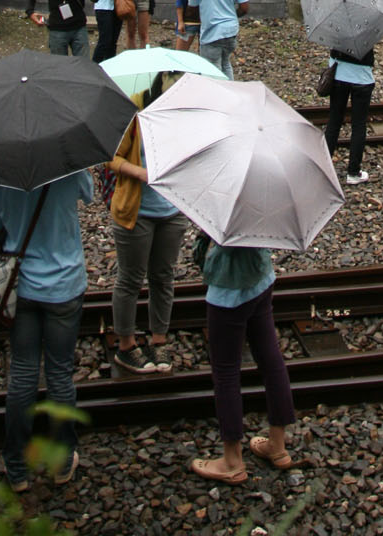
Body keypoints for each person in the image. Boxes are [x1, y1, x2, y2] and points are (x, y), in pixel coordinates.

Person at [0, 168, 93, 493]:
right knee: (60, 373)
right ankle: (61, 463)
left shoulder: (1, 172)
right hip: (66, 282)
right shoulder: (71, 162)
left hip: (22, 287)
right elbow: (87, 197)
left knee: (22, 373)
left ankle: (16, 469)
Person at [191, 234, 295, 485]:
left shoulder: (222, 195)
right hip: (261, 275)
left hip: (228, 289)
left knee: (226, 371)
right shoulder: (265, 193)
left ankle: (232, 461)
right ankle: (278, 446)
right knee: (271, 360)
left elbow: (210, 236)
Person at [109, 73, 187, 375]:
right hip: (136, 209)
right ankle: (126, 345)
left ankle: (159, 339)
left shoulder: (185, 115)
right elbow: (111, 157)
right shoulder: (135, 109)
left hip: (172, 211)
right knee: (130, 279)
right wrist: (139, 173)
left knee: (163, 277)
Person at [323, 28, 383, 186]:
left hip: (337, 71)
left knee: (334, 122)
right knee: (358, 125)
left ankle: (323, 168)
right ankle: (353, 172)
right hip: (361, 75)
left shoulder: (337, 8)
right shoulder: (370, 8)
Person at [188, 0, 250, 79]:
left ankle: (218, 97)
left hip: (211, 33)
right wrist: (231, 15)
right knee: (226, 64)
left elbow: (192, 10)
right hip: (231, 31)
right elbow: (244, 8)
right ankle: (231, 94)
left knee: (212, 69)